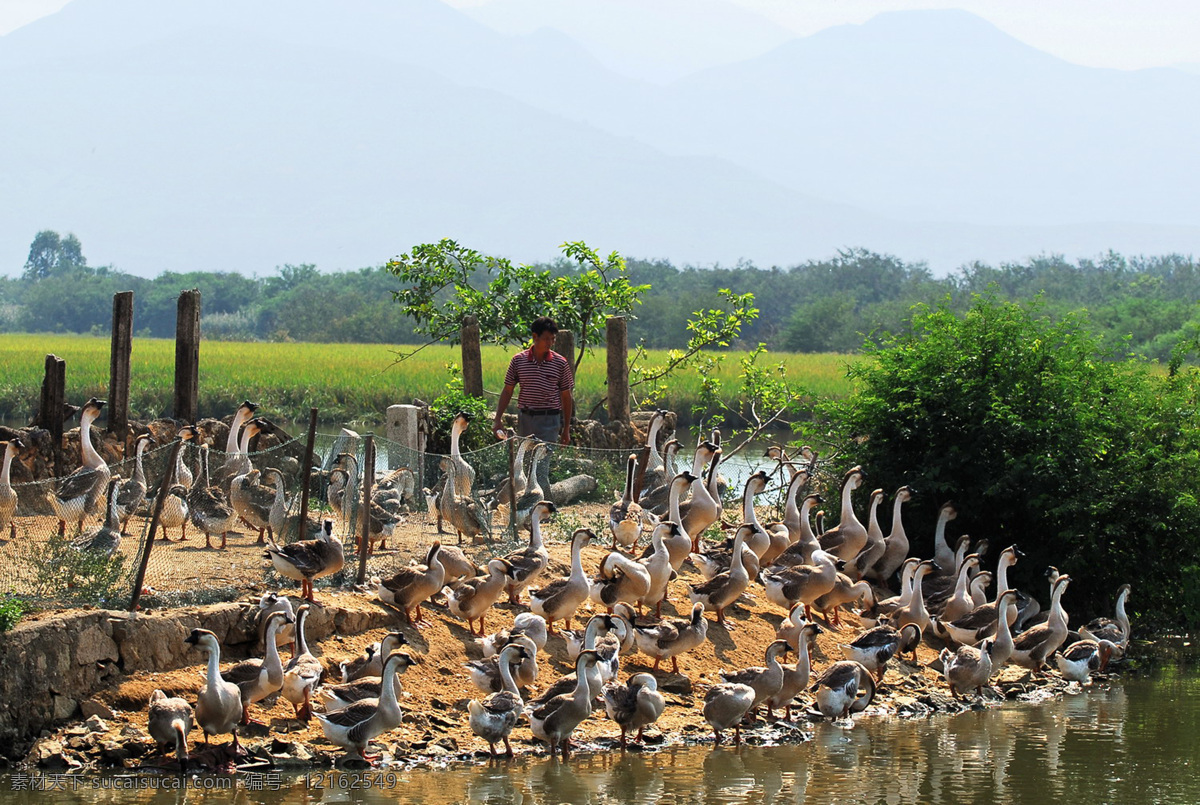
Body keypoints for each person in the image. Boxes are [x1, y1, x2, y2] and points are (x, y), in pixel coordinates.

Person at [492, 317, 574, 445]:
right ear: (535, 337)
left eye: (553, 339)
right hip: (526, 419)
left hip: (550, 419)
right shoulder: (518, 361)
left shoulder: (560, 363)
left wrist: (566, 429)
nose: (550, 343)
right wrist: (497, 419)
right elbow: (508, 391)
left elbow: (566, 396)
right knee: (525, 460)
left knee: (543, 461)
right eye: (546, 339)